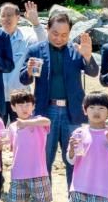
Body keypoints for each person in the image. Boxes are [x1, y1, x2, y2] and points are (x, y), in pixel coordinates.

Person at [20, 13, 98, 188]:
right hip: (45, 111)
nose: (59, 38)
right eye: (55, 33)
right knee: (44, 158)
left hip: (73, 112)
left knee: (74, 157)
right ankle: (43, 198)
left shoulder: (76, 50)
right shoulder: (35, 50)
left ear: (70, 33)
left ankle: (74, 197)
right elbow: (24, 79)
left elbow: (93, 72)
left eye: (64, 35)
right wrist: (29, 71)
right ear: (47, 29)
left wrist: (87, 56)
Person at [7, 90, 52, 202]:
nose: (24, 108)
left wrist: (27, 123)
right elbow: (12, 147)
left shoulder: (38, 122)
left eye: (28, 104)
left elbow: (47, 121)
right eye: (20, 105)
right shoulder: (12, 127)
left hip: (39, 173)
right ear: (13, 107)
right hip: (18, 173)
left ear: (33, 106)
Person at [0, 2, 47, 121]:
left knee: (22, 130)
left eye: (9, 15)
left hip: (21, 97)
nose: (6, 18)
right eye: (3, 15)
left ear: (18, 17)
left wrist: (36, 23)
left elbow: (44, 44)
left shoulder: (27, 37)